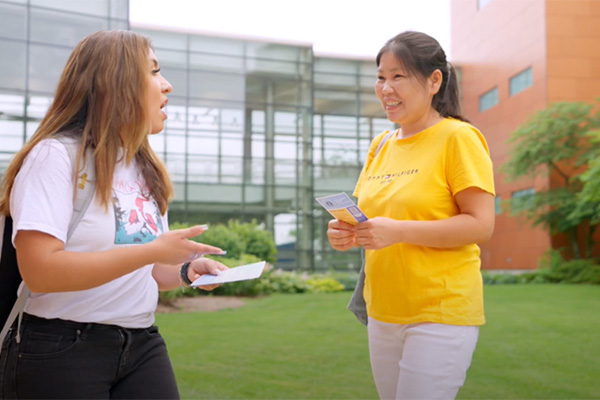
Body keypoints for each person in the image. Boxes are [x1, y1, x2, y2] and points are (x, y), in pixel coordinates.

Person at [0, 30, 228, 399]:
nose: (166, 85)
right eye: (153, 72)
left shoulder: (144, 167)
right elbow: (40, 272)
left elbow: (150, 272)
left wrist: (186, 271)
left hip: (141, 343)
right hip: (59, 348)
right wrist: (152, 251)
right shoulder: (55, 157)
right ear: (116, 83)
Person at [326, 31, 495, 400]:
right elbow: (373, 220)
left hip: (439, 311)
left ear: (434, 80)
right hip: (383, 310)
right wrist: (345, 231)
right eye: (381, 77)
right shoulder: (381, 145)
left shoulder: (459, 138)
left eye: (398, 76)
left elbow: (481, 224)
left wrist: (399, 231)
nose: (386, 88)